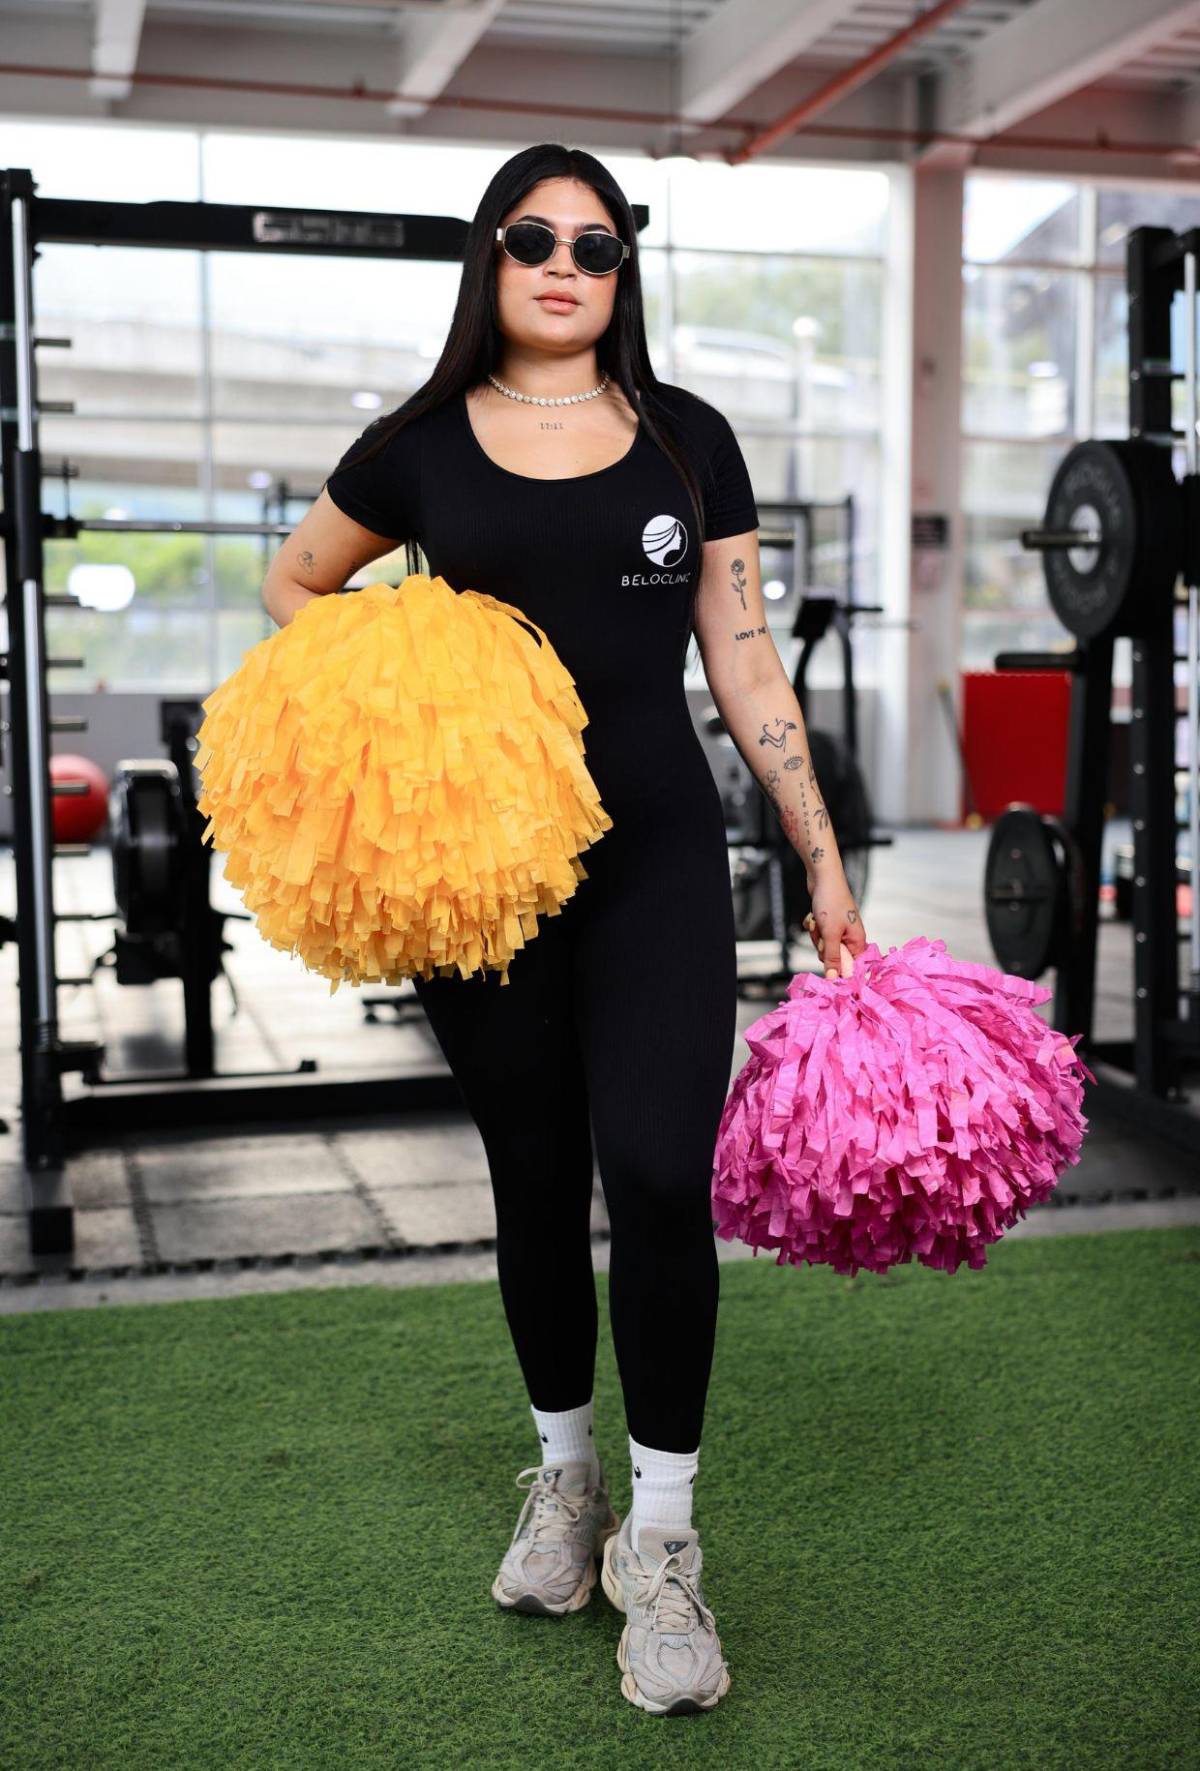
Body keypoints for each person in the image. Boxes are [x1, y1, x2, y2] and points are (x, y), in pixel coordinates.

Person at [263, 141, 867, 1719]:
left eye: (597, 246)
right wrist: (421, 683)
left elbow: (742, 660)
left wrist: (819, 855)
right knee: (531, 1184)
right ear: (490, 257)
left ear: (624, 271)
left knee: (662, 1178)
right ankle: (566, 1479)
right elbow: (297, 586)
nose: (563, 265)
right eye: (532, 238)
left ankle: (662, 1546)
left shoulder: (686, 440)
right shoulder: (415, 449)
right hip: (489, 879)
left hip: (657, 854)